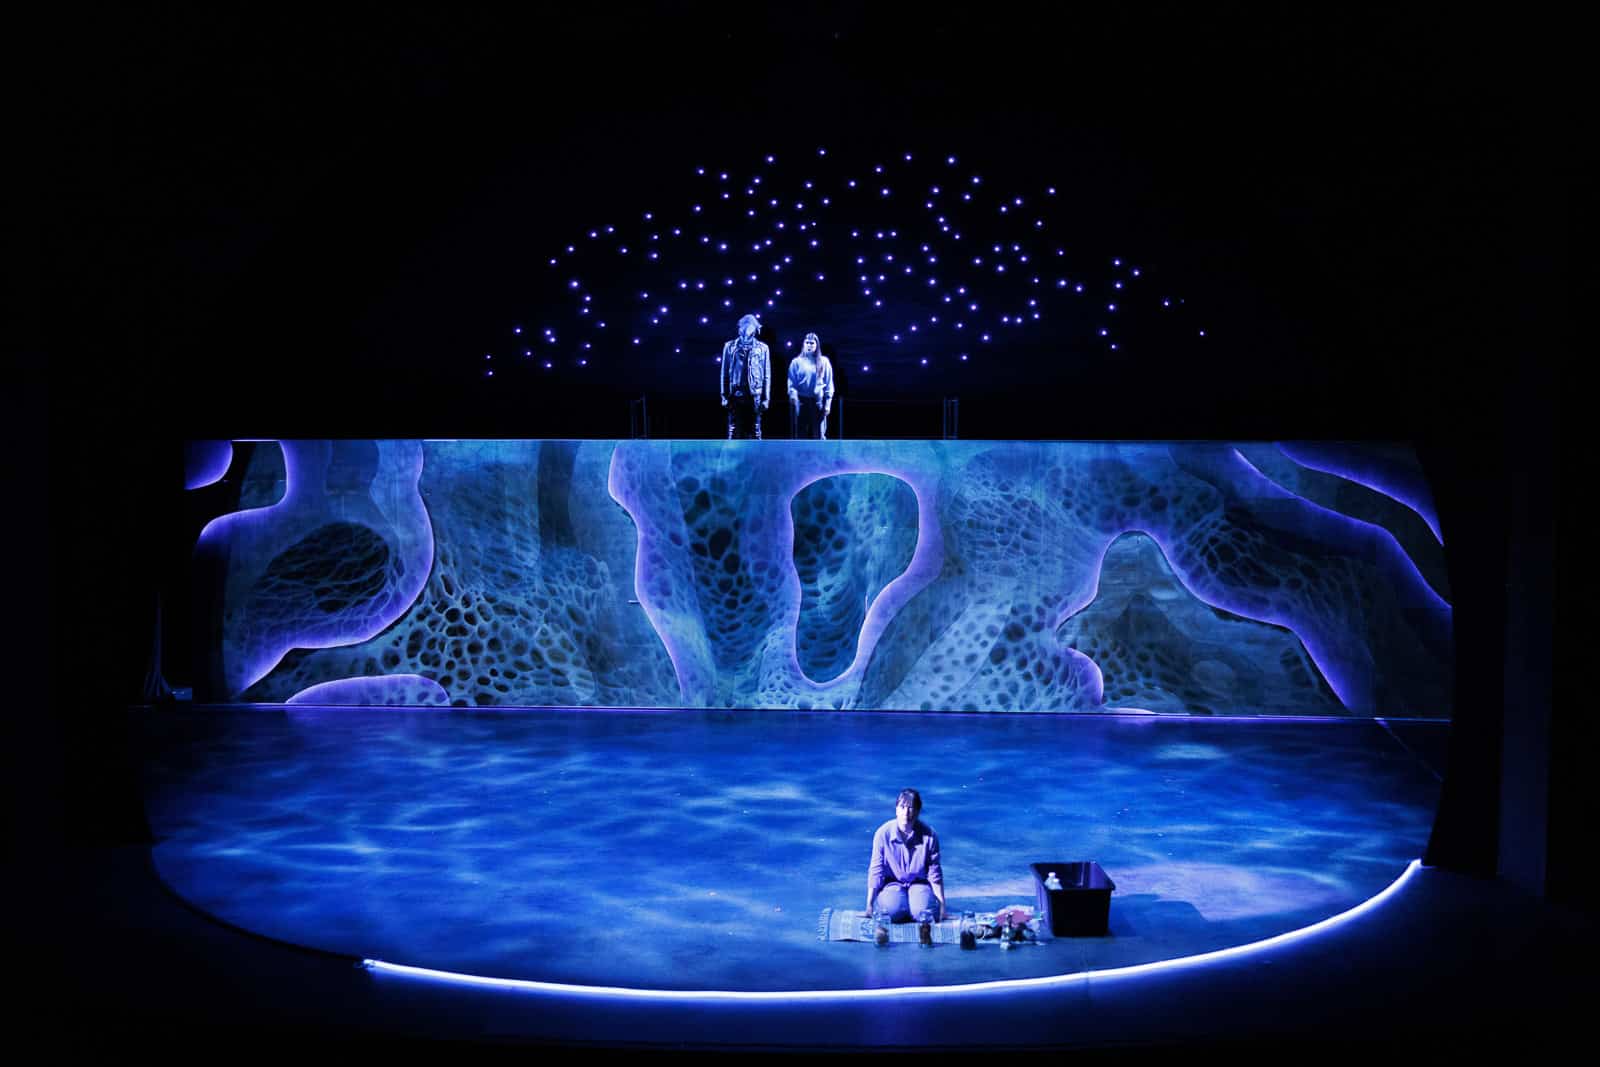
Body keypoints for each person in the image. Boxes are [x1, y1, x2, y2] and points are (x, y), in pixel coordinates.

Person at [864, 788, 945, 928]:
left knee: (923, 913)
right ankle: (901, 904)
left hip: (919, 884)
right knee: (891, 911)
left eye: (911, 808)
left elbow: (935, 874)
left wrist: (943, 906)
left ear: (918, 811)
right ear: (896, 809)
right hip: (892, 884)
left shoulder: (929, 835)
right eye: (902, 807)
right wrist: (869, 904)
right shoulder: (883, 834)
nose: (906, 813)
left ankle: (914, 904)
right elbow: (876, 870)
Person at [720, 313, 771, 439]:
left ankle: (756, 452)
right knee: (733, 429)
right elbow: (724, 373)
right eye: (743, 326)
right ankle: (732, 451)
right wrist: (724, 395)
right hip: (735, 393)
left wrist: (766, 398)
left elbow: (766, 375)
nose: (745, 330)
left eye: (749, 326)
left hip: (755, 394)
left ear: (755, 329)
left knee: (756, 429)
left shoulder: (763, 348)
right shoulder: (729, 346)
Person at [787, 332, 834, 439]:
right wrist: (794, 399)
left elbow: (829, 384)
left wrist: (828, 404)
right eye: (807, 342)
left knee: (819, 434)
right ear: (803, 344)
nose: (809, 345)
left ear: (817, 345)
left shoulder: (824, 362)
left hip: (818, 402)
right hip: (801, 402)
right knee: (800, 435)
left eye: (812, 343)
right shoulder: (796, 362)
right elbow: (791, 384)